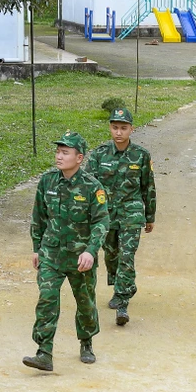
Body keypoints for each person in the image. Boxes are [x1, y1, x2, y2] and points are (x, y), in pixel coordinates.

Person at [23, 132, 109, 372]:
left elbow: (102, 222)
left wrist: (91, 251)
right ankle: (44, 351)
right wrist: (36, 248)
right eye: (58, 151)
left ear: (79, 157)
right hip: (51, 254)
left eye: (65, 152)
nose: (59, 156)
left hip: (81, 258)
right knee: (47, 299)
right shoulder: (47, 181)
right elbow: (38, 217)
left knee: (85, 303)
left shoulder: (93, 187)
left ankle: (86, 341)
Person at [85, 107, 156, 326]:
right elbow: (88, 186)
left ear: (131, 129)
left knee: (127, 255)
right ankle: (122, 284)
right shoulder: (98, 154)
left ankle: (122, 300)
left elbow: (148, 186)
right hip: (106, 215)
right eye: (115, 127)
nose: (119, 132)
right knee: (111, 254)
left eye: (123, 128)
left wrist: (150, 216)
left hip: (131, 213)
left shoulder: (141, 155)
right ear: (110, 128)